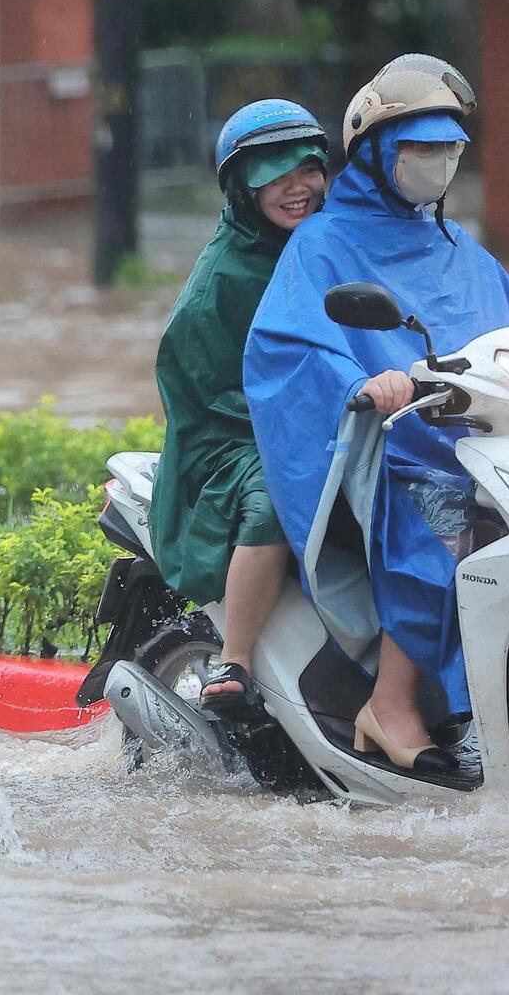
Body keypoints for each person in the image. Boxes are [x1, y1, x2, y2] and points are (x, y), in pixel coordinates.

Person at [246, 54, 509, 776]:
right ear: (379, 152)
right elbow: (291, 345)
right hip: (399, 448)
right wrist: (362, 379)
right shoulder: (323, 243)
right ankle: (393, 703)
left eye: (450, 150)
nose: (439, 163)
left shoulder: (456, 245)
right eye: (422, 149)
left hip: (485, 440)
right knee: (441, 537)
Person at [148, 100, 329, 716]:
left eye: (306, 170)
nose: (296, 189)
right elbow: (205, 391)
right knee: (279, 498)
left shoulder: (330, 246)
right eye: (275, 178)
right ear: (241, 188)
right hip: (233, 438)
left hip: (331, 422)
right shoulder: (218, 281)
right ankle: (239, 656)